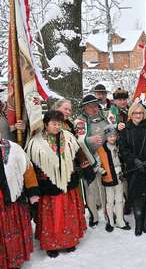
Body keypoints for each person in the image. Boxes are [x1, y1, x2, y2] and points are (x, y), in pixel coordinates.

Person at [27, 110, 92, 258]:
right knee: (52, 217)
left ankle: (69, 241)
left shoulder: (68, 137)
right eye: (53, 123)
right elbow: (31, 165)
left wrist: (84, 163)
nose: (57, 126)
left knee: (68, 215)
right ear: (46, 124)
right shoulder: (35, 142)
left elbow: (78, 153)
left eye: (59, 123)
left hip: (68, 183)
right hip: (48, 185)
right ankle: (51, 245)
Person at [118, 103, 146, 236]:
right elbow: (123, 148)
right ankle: (138, 222)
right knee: (137, 196)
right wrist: (133, 160)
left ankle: (145, 221)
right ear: (131, 114)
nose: (138, 115)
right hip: (134, 168)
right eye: (135, 113)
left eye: (141, 113)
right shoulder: (126, 129)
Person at [0, 136, 39, 268]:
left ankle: (14, 260)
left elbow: (27, 169)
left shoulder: (14, 148)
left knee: (13, 230)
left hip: (13, 199)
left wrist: (32, 191)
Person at [74, 94, 109, 227]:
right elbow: (79, 140)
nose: (94, 108)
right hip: (88, 158)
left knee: (105, 186)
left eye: (95, 105)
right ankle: (94, 215)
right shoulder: (80, 121)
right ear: (84, 108)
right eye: (90, 106)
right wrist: (90, 139)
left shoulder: (104, 116)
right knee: (91, 188)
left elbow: (112, 129)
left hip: (105, 156)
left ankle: (107, 211)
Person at [97, 125, 131, 232]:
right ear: (106, 137)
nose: (112, 138)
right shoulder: (101, 149)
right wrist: (103, 171)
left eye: (114, 136)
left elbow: (122, 160)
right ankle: (110, 221)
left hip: (119, 176)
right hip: (109, 177)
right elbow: (96, 164)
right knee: (110, 201)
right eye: (110, 136)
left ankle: (120, 221)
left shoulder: (119, 146)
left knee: (120, 200)